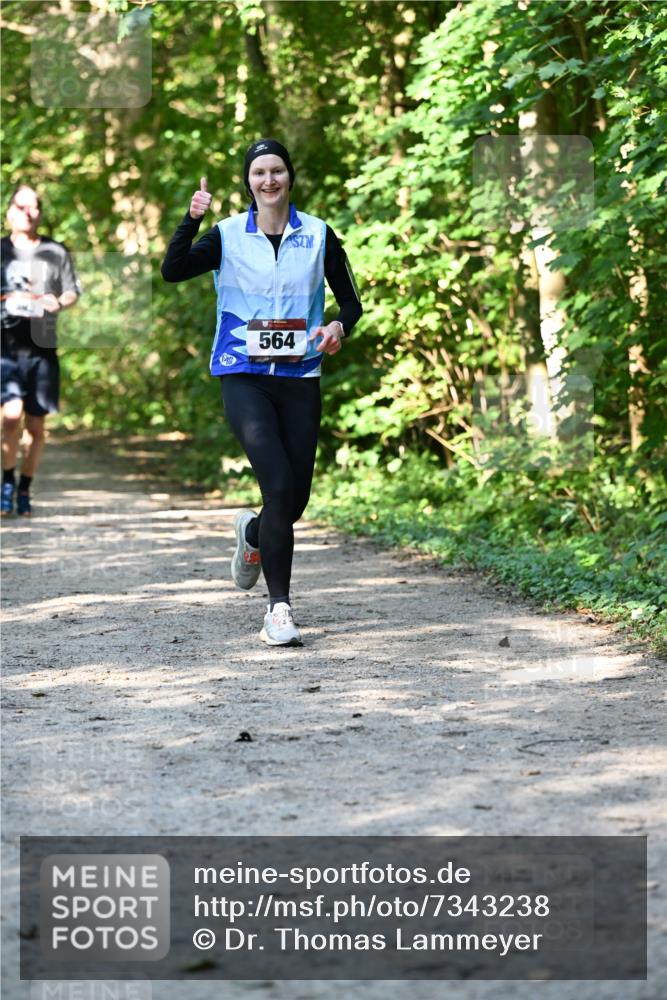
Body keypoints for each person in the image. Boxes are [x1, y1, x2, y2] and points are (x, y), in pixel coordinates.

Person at [162, 138, 362, 646]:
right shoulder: (227, 235)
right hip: (243, 373)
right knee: (276, 484)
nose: (268, 180)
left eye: (276, 171)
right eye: (258, 173)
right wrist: (191, 219)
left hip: (300, 378)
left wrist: (338, 328)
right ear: (248, 183)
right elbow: (173, 269)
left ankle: (253, 535)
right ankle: (279, 610)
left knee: (292, 501)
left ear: (289, 177)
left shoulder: (318, 234)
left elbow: (351, 304)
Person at [1, 185, 80, 517]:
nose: (28, 213)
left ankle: (24, 489)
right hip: (5, 349)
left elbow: (72, 291)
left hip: (43, 349)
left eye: (34, 207)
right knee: (10, 416)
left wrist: (57, 301)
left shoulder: (55, 250)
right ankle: (6, 482)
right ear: (9, 212)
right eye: (22, 207)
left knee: (35, 426)